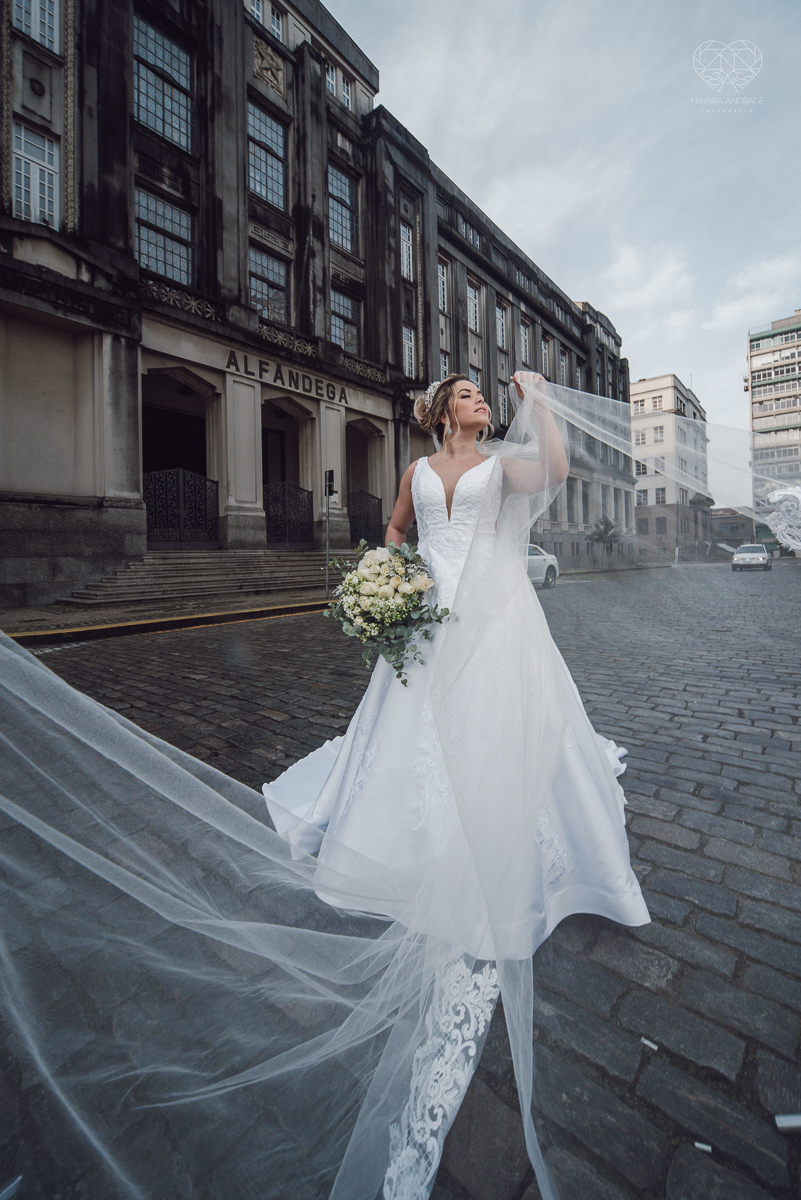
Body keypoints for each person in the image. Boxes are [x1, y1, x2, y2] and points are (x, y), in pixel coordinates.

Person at [0, 371, 647, 1200]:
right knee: (405, 733)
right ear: (440, 411)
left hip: (495, 614)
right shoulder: (418, 471)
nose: (480, 400)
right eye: (468, 392)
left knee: (509, 726)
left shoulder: (502, 463)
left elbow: (552, 469)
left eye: (487, 395)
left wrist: (538, 397)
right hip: (428, 616)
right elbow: (397, 529)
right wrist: (386, 579)